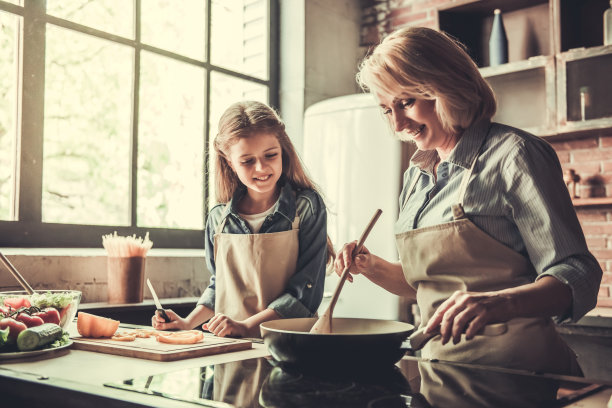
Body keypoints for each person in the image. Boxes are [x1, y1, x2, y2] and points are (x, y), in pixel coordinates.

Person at [334, 27, 601, 374]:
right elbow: (426, 285)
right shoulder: (415, 176)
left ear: (445, 87)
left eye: (407, 102)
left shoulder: (514, 155)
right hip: (441, 371)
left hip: (518, 374)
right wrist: (371, 267)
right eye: (387, 109)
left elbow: (578, 272)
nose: (398, 123)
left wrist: (498, 304)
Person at [152, 100, 333, 338]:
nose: (261, 168)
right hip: (229, 347)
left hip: (289, 346)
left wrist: (247, 326)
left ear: (283, 151)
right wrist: (187, 323)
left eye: (270, 155)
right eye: (247, 161)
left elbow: (305, 294)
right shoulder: (218, 218)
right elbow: (220, 285)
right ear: (230, 162)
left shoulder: (307, 207)